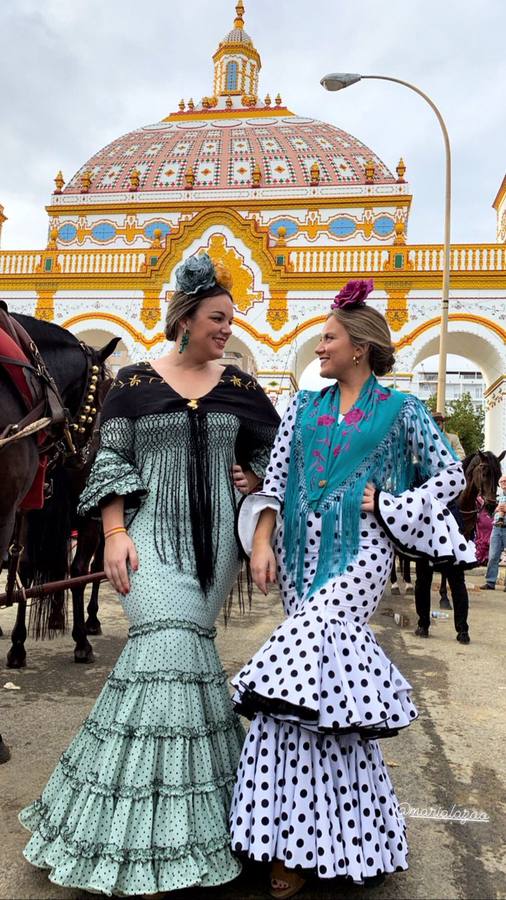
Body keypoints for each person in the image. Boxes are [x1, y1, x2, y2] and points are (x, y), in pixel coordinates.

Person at [19, 253, 280, 897]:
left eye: (230, 318)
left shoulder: (243, 388)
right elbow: (110, 461)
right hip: (147, 538)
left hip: (215, 543)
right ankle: (132, 829)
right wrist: (111, 534)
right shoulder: (134, 384)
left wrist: (251, 488)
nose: (228, 327)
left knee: (189, 660)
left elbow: (271, 461)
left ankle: (198, 828)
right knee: (161, 650)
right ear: (185, 319)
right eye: (218, 318)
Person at [229, 278, 475, 898]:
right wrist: (260, 542)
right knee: (311, 697)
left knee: (305, 654)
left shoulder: (402, 411)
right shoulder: (305, 409)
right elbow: (278, 478)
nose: (319, 347)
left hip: (361, 555)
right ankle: (308, 840)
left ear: (359, 346)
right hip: (296, 557)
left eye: (329, 337)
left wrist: (392, 504)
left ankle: (298, 844)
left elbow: (449, 473)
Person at [480, 474, 506, 590]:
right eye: (502, 481)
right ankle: (490, 582)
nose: (504, 482)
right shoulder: (499, 496)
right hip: (496, 528)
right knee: (493, 556)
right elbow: (491, 513)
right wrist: (496, 510)